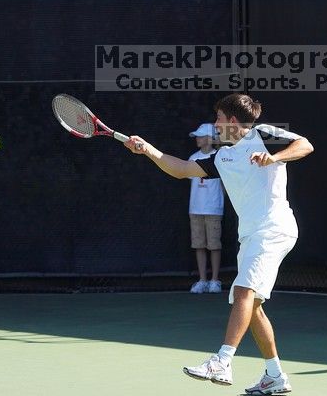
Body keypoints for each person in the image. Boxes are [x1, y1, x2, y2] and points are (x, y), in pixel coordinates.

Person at [124, 93, 313, 395]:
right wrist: (147, 150)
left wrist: (273, 157)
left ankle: (222, 361)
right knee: (253, 308)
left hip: (274, 229)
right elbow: (182, 170)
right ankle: (274, 375)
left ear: (233, 121)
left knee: (242, 291)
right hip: (251, 235)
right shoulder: (222, 157)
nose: (215, 124)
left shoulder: (263, 134)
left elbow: (305, 144)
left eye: (219, 118)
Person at [187, 123, 224, 294]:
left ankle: (214, 281)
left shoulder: (220, 157)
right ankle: (202, 280)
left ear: (210, 139)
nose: (197, 139)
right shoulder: (193, 158)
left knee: (214, 245)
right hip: (195, 209)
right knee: (199, 245)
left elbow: (225, 184)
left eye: (201, 136)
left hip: (214, 209)